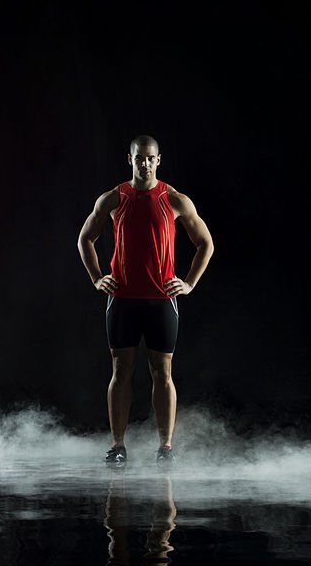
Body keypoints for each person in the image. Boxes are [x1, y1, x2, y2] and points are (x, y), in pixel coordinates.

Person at [78, 135, 214, 464]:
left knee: (162, 373)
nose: (145, 164)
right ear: (130, 160)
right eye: (139, 158)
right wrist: (97, 278)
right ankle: (117, 446)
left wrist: (189, 283)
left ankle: (166, 448)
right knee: (120, 371)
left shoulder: (174, 199)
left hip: (160, 300)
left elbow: (205, 243)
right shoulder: (113, 198)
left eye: (150, 158)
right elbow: (85, 239)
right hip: (122, 299)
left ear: (158, 160)